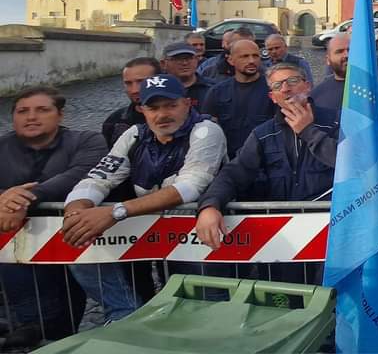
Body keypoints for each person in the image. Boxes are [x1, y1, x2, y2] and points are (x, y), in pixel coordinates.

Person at [62, 75, 228, 322]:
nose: (162, 115)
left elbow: (189, 187)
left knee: (204, 309)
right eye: (153, 108)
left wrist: (114, 212)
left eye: (171, 106)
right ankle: (126, 320)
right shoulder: (134, 135)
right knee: (77, 246)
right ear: (142, 109)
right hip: (160, 235)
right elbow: (100, 176)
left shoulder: (205, 131)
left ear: (187, 103)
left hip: (202, 243)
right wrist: (77, 212)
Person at [195, 63, 339, 284]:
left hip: (332, 236)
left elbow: (352, 165)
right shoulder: (263, 134)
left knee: (332, 299)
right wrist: (210, 205)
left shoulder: (338, 122)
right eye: (278, 86)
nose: (286, 89)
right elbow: (234, 172)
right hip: (284, 240)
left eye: (292, 81)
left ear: (307, 85)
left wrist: (309, 132)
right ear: (273, 97)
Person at [0, 87, 110, 347]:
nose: (31, 117)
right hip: (14, 261)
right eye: (22, 111)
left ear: (60, 114)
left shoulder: (88, 140)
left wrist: (22, 199)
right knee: (26, 323)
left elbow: (80, 174)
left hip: (72, 248)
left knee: (63, 318)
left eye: (42, 109)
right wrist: (5, 198)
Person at [311, 34, 378, 157]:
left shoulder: (375, 85)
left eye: (350, 50)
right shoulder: (317, 93)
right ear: (328, 59)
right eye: (339, 51)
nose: (346, 55)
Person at [201, 39, 275, 158]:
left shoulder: (273, 90)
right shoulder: (217, 92)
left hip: (266, 159)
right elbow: (208, 129)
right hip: (229, 160)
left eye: (255, 56)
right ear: (230, 60)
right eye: (244, 56)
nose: (251, 61)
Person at [102, 57, 161, 148]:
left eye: (141, 82)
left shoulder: (180, 118)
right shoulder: (114, 121)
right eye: (128, 83)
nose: (134, 90)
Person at [161, 41, 213, 110]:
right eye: (178, 59)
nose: (184, 63)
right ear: (163, 64)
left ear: (197, 60)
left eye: (189, 58)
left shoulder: (213, 88)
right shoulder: (156, 89)